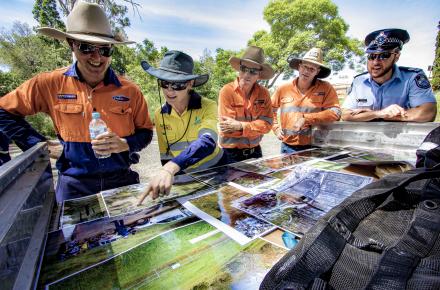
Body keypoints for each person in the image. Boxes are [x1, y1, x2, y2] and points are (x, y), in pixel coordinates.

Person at [0, 2, 153, 201]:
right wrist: (38, 144)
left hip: (121, 181)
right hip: (74, 186)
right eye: (87, 48)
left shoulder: (130, 90)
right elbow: (3, 111)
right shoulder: (49, 83)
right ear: (71, 44)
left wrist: (125, 143)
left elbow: (146, 132)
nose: (97, 57)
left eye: (105, 49)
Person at [138, 50, 225, 202]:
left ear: (190, 84)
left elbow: (208, 142)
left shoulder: (208, 106)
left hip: (216, 170)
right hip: (185, 175)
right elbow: (166, 155)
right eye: (165, 83)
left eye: (177, 84)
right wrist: (167, 177)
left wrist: (170, 168)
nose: (170, 90)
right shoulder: (160, 114)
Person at [341, 28, 437, 122]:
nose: (375, 62)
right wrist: (379, 114)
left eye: (384, 55)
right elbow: (345, 114)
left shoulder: (412, 78)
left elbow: (427, 113)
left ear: (396, 56)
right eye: (371, 56)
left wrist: (371, 116)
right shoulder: (359, 81)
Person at [272, 48, 341, 154]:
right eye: (305, 66)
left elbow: (336, 113)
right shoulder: (283, 88)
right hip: (287, 147)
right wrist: (276, 128)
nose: (306, 71)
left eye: (312, 69)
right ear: (299, 66)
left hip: (316, 147)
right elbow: (269, 110)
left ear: (317, 71)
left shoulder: (326, 88)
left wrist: (306, 118)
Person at [218, 46, 274, 163]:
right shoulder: (226, 91)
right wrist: (256, 127)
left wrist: (240, 126)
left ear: (259, 75)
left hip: (256, 152)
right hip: (230, 154)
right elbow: (227, 129)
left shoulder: (264, 93)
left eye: (253, 71)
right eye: (244, 69)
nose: (247, 74)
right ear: (239, 69)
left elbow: (268, 125)